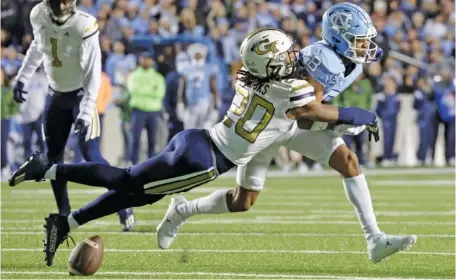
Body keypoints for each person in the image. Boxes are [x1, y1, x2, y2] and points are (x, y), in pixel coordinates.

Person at [9, 28, 382, 267]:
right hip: (206, 161)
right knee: (127, 182)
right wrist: (364, 114)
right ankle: (47, 169)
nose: (292, 58)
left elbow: (301, 104)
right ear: (272, 64)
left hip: (196, 138)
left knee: (136, 193)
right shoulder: (291, 88)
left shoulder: (251, 76)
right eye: (284, 56)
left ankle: (66, 221)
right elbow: (318, 110)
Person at [158, 3, 416, 264]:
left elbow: (310, 114)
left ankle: (374, 239)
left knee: (348, 161)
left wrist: (336, 123)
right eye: (359, 41)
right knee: (242, 201)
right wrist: (349, 117)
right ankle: (183, 209)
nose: (365, 47)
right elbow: (305, 113)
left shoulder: (352, 64)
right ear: (339, 39)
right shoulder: (323, 60)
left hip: (291, 123)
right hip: (269, 125)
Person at [10, 0, 134, 231]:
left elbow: (93, 72)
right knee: (53, 159)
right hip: (55, 95)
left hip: (80, 95)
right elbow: (39, 45)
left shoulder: (84, 24)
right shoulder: (38, 14)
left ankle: (123, 203)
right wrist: (23, 76)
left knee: (91, 154)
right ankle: (64, 215)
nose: (63, 3)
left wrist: (87, 110)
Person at [127, 52, 166, 164]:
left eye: (149, 59)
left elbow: (160, 93)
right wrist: (151, 90)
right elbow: (133, 90)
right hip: (138, 110)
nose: (146, 61)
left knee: (153, 140)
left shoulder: (158, 77)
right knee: (135, 138)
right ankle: (132, 162)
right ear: (140, 60)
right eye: (144, 59)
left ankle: (151, 163)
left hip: (153, 111)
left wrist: (143, 90)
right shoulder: (134, 75)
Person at [177, 43, 220, 130]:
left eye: (199, 55)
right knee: (189, 132)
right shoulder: (186, 69)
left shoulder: (208, 69)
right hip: (190, 104)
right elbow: (182, 88)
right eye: (195, 54)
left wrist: (216, 106)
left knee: (204, 131)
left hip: (205, 104)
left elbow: (214, 89)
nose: (197, 57)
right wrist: (180, 104)